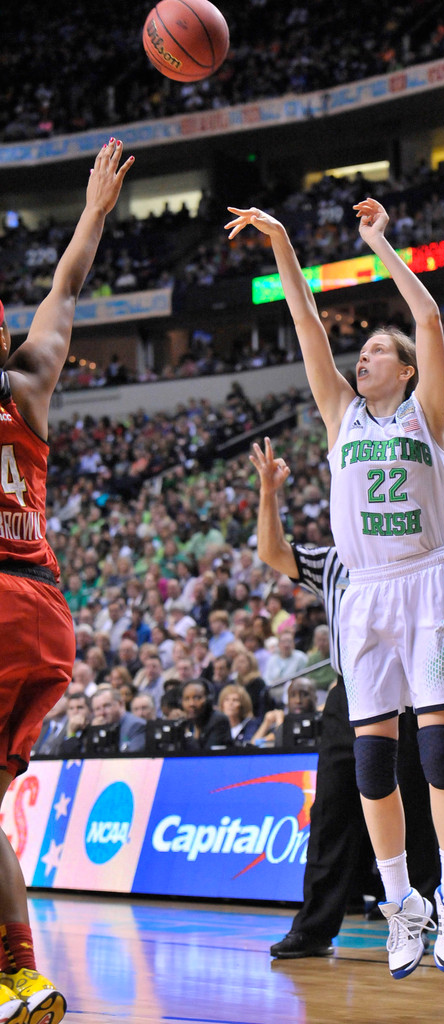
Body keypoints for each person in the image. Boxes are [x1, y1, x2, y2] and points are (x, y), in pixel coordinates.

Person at [226, 196, 444, 977]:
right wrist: (280, 243)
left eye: (378, 351)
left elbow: (432, 321)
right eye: (363, 351)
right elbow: (307, 321)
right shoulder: (340, 415)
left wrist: (379, 243)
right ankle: (403, 904)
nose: (364, 357)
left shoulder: (423, 416)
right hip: (367, 596)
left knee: (439, 752)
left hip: (427, 583)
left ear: (404, 371)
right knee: (373, 766)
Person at [0, 137, 133, 1024]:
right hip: (44, 614)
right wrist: (91, 215)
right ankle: (20, 977)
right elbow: (66, 291)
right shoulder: (28, 384)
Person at [250, 438, 438, 962]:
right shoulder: (334, 562)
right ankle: (314, 928)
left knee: (414, 810)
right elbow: (273, 553)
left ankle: (419, 918)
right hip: (348, 696)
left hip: (406, 695)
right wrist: (269, 493)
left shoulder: (414, 550)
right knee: (331, 811)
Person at [88, 685, 147, 753]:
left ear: (121, 704)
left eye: (106, 706)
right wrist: (95, 732)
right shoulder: (96, 728)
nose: (102, 713)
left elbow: (132, 759)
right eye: (97, 709)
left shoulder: (136, 726)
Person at [181, 679, 232, 750]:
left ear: (209, 699)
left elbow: (208, 756)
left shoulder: (219, 721)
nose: (191, 704)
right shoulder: (185, 722)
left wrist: (188, 736)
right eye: (187, 699)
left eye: (197, 698)